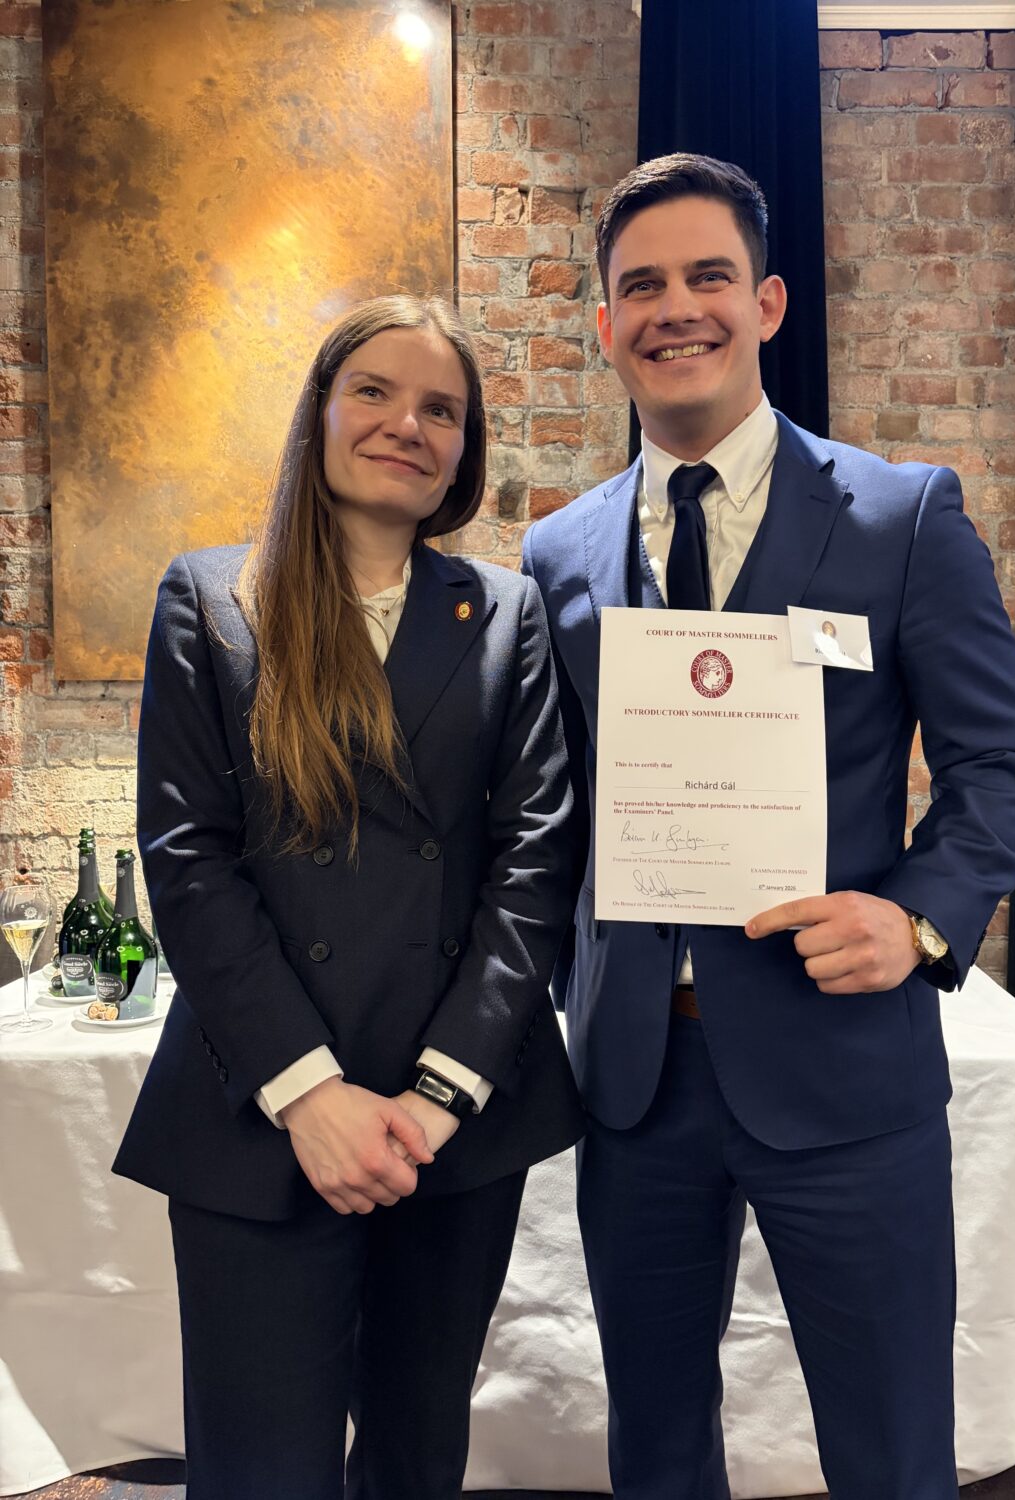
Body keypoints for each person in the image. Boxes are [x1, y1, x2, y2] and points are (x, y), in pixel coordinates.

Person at [522, 154, 1015, 1500]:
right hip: (638, 1078)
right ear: (607, 326)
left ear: (764, 304)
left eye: (708, 276)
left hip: (845, 1064)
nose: (676, 308)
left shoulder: (901, 516)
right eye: (642, 286)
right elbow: (555, 808)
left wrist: (919, 919)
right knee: (654, 1445)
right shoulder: (558, 552)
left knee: (891, 1447)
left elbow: (1000, 759)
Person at [114, 295, 584, 1500]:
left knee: (418, 1461)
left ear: (464, 451)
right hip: (260, 1104)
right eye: (373, 391)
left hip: (449, 1125)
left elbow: (536, 862)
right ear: (319, 410)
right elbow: (189, 860)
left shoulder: (506, 612)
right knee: (260, 1469)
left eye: (441, 410)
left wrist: (436, 1098)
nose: (406, 425)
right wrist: (311, 1094)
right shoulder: (213, 598)